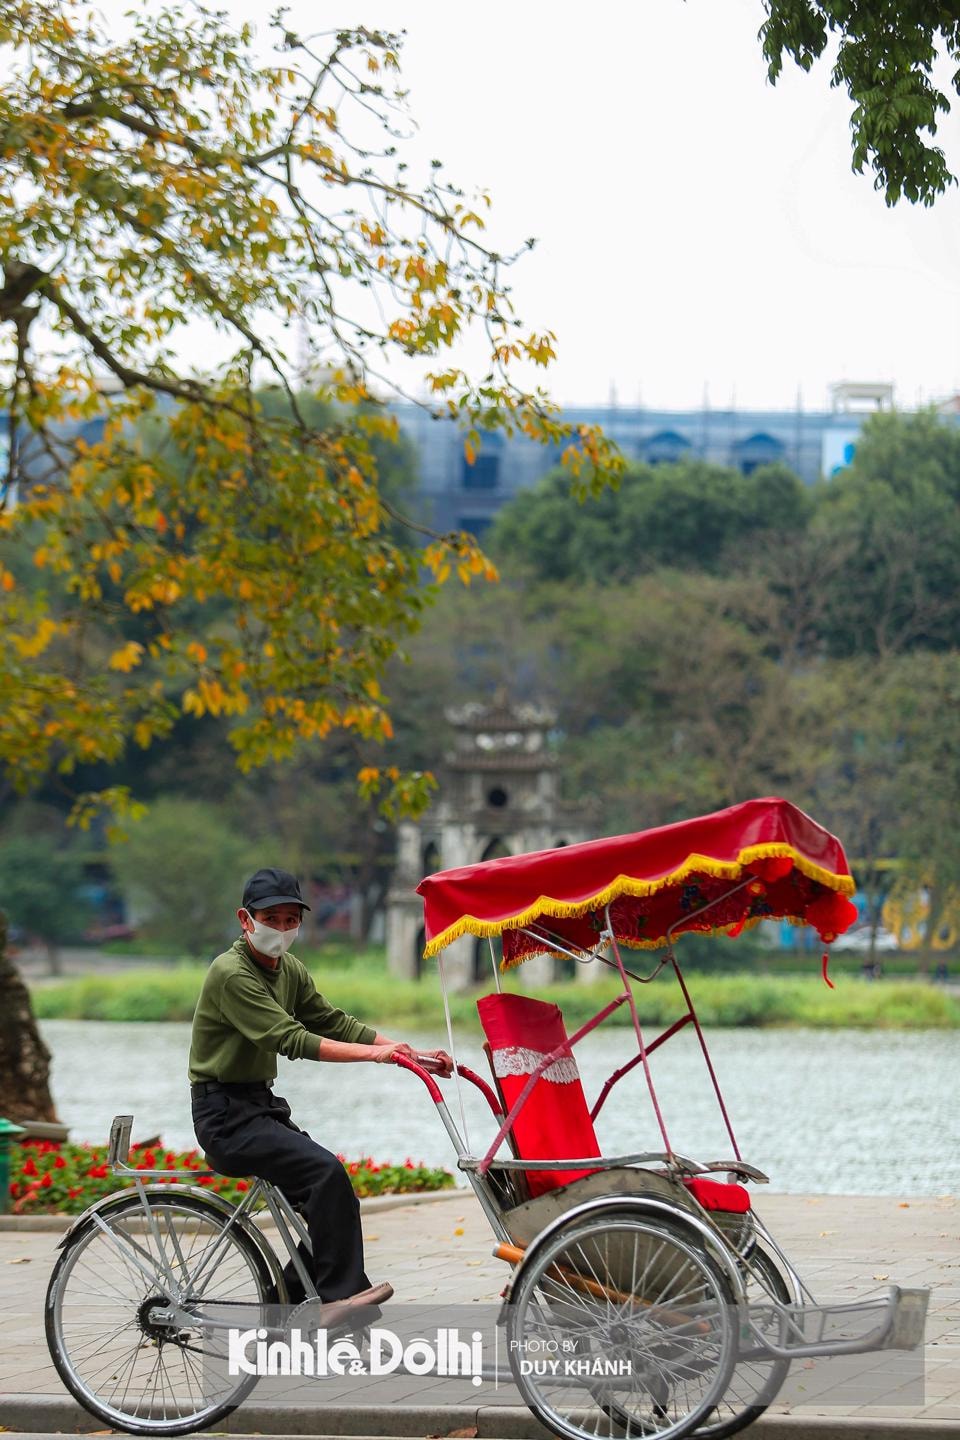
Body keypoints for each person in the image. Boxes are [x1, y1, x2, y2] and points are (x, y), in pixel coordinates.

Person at [189, 866, 452, 1309]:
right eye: (271, 919)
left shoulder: (288, 968)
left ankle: (287, 1308)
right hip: (223, 1115)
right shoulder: (231, 973)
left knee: (332, 1195)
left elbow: (333, 1022)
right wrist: (375, 1056)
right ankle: (338, 1299)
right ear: (245, 919)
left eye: (292, 920)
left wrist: (408, 1052)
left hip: (259, 1105)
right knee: (324, 1172)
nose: (283, 929)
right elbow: (290, 1038)